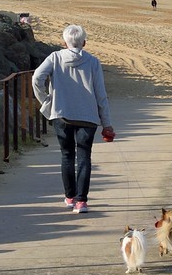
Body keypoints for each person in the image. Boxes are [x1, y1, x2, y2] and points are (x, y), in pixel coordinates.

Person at [32, 24, 113, 214]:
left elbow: (37, 78)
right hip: (88, 117)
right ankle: (81, 201)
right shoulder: (93, 62)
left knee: (67, 155)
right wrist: (107, 123)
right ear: (84, 42)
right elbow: (101, 94)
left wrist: (46, 102)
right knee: (84, 157)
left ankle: (70, 197)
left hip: (62, 114)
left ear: (64, 42)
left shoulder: (55, 57)